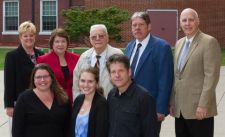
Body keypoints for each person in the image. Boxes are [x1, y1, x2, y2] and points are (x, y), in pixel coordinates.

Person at [169, 8, 221, 137]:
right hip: (180, 110)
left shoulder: (209, 42)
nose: (187, 23)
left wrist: (203, 105)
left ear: (198, 21)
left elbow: (211, 77)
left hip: (199, 110)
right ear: (180, 23)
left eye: (191, 20)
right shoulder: (179, 43)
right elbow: (176, 76)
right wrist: (172, 102)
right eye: (184, 20)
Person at [124, 11, 174, 135]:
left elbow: (165, 80)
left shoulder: (161, 47)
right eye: (134, 25)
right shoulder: (129, 47)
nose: (137, 28)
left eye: (141, 24)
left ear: (149, 26)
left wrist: (160, 108)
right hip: (129, 107)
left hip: (151, 109)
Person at [4, 21, 44, 136]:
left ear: (35, 37)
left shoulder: (40, 54)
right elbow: (9, 82)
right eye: (25, 35)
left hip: (38, 101)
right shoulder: (12, 56)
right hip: (19, 102)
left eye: (31, 35)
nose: (29, 38)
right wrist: (9, 105)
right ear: (20, 37)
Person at [12, 63, 71, 137]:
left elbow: (68, 127)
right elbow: (17, 130)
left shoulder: (63, 98)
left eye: (46, 76)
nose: (42, 80)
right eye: (38, 77)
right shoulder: (24, 99)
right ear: (33, 79)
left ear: (52, 78)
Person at [106, 54, 157, 137]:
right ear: (110, 76)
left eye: (121, 71)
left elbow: (150, 132)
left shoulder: (144, 97)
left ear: (129, 72)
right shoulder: (111, 94)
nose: (117, 75)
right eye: (113, 72)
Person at [73, 24, 123, 100]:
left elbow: (123, 81)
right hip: (88, 103)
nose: (97, 39)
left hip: (110, 104)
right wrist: (79, 101)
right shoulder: (84, 56)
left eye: (101, 36)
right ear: (90, 39)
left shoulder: (117, 55)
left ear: (107, 37)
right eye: (93, 37)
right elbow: (76, 82)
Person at [37, 28, 79, 103]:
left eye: (63, 41)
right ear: (52, 43)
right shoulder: (43, 60)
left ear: (67, 43)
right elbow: (40, 83)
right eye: (57, 41)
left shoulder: (76, 58)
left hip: (73, 100)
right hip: (53, 100)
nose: (60, 44)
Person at [72, 67, 108, 137]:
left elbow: (101, 132)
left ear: (97, 83)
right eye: (83, 81)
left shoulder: (101, 104)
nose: (86, 85)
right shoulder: (78, 99)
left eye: (90, 81)